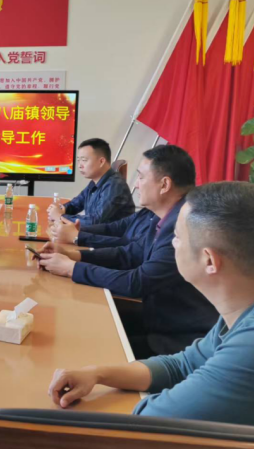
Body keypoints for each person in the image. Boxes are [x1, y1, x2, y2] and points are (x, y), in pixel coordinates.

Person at [48, 182, 254, 430]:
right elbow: (182, 365)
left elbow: (150, 421)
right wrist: (98, 373)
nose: (171, 244)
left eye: (176, 237)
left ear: (209, 260)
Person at [38, 145, 217, 357]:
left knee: (81, 344)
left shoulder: (183, 225)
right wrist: (74, 255)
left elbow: (137, 282)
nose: (135, 184)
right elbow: (130, 253)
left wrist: (72, 269)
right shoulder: (162, 215)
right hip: (157, 321)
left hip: (176, 340)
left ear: (164, 184)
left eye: (141, 177)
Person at [48, 138, 135, 226]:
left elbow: (95, 221)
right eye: (78, 160)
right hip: (96, 233)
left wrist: (60, 216)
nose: (80, 165)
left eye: (84, 160)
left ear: (101, 161)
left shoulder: (115, 185)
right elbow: (76, 204)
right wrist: (62, 209)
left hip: (112, 234)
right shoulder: (95, 182)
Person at [49, 208, 159, 249]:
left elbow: (127, 248)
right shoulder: (147, 212)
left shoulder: (114, 187)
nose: (136, 184)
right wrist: (76, 230)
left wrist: (77, 236)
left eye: (141, 177)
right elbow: (112, 228)